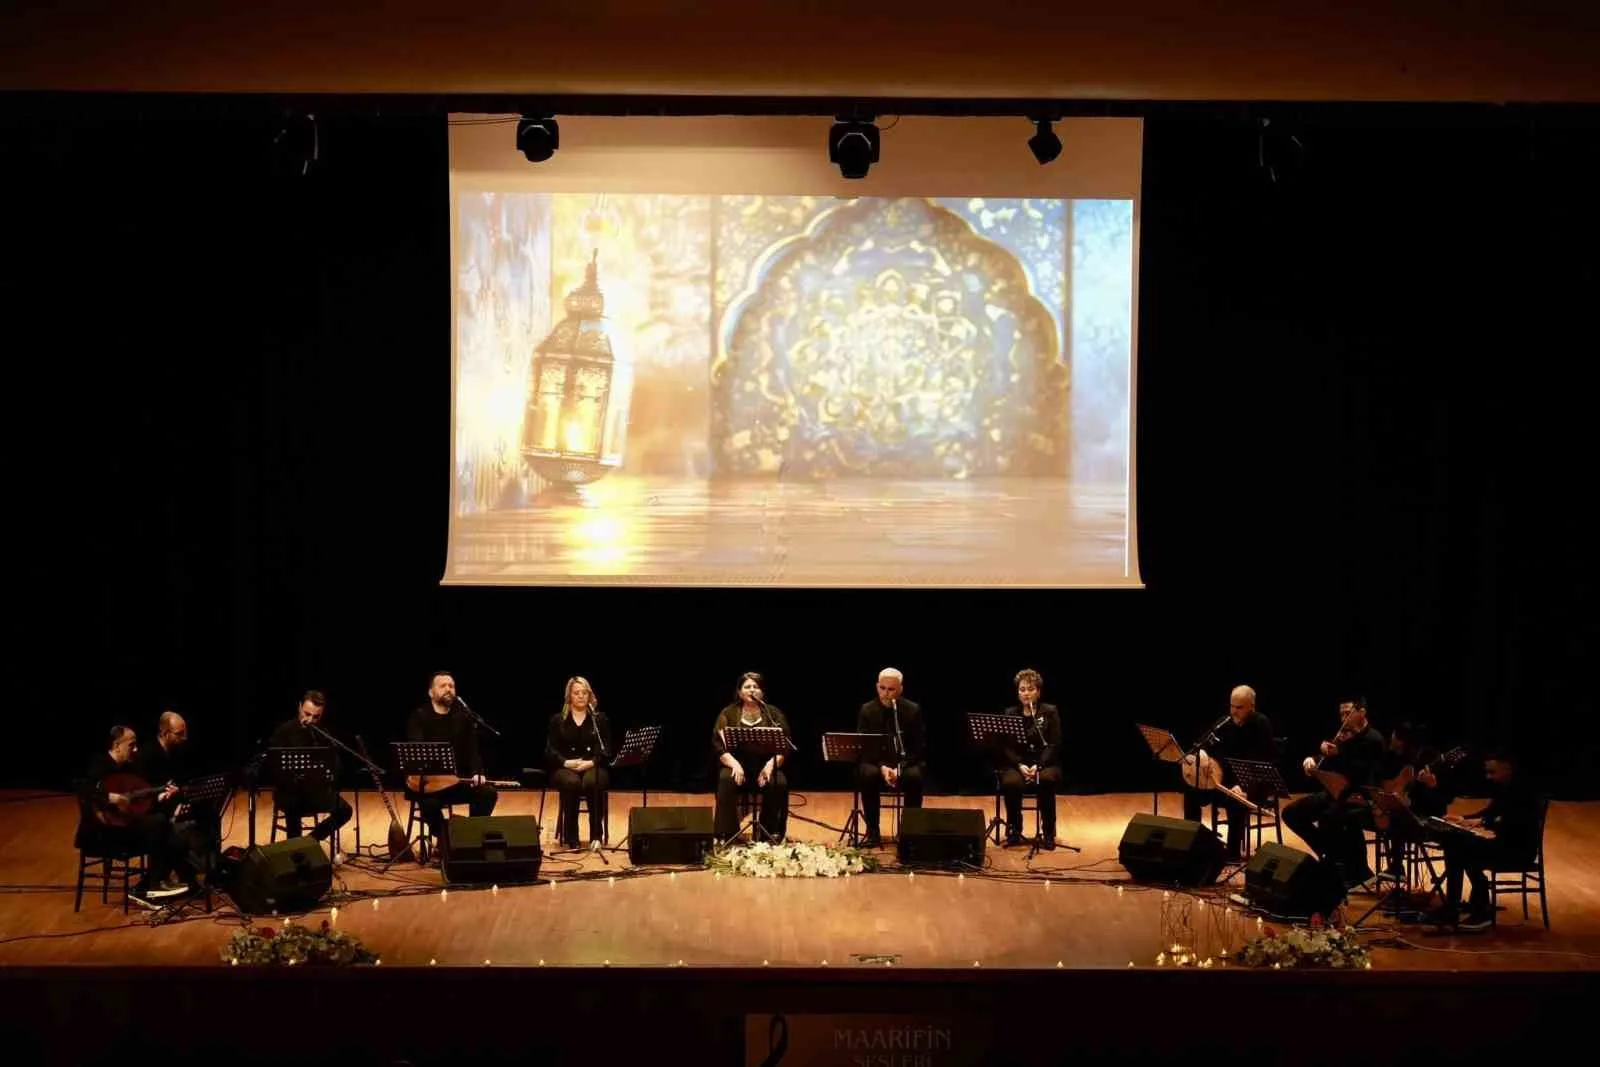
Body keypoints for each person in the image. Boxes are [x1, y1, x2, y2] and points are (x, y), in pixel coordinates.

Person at [77, 725, 192, 908]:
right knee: (160, 825)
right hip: (101, 832)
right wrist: (110, 797)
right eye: (131, 745)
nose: (136, 749)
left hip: (123, 827)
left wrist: (160, 796)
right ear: (116, 745)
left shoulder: (129, 767)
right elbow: (83, 789)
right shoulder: (99, 764)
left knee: (167, 826)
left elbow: (138, 797)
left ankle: (151, 885)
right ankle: (150, 886)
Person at [1430, 750, 1541, 931]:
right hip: (1504, 843)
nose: (1489, 777)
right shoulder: (1504, 787)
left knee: (1461, 850)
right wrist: (1463, 819)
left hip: (1517, 850)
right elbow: (1491, 813)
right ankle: (1463, 906)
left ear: (1508, 768)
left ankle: (1478, 910)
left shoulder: (1522, 791)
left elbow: (1511, 822)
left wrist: (1482, 823)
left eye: (1492, 772)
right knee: (1456, 846)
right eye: (1487, 772)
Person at [1282, 697, 1386, 886]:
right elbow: (1329, 761)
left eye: (1348, 713)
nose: (1343, 719)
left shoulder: (1374, 739)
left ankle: (1349, 868)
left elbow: (1363, 773)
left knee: (1329, 817)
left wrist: (1340, 752)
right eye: (1341, 714)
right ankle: (1331, 856)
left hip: (1361, 798)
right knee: (1291, 813)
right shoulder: (1343, 737)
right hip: (1335, 794)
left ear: (1362, 712)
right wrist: (1312, 760)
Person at [1181, 684, 1277, 860]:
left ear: (1252, 707)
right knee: (1191, 790)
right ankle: (1193, 840)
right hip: (1222, 783)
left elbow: (1263, 763)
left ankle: (1232, 853)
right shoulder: (1225, 722)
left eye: (1239, 707)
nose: (1234, 711)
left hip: (1252, 786)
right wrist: (1205, 759)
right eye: (1232, 706)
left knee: (1236, 801)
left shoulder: (1261, 725)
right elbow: (1204, 746)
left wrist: (1243, 786)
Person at [404, 671, 498, 845]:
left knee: (488, 793)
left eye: (451, 686)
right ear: (431, 693)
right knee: (430, 805)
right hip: (428, 785)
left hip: (456, 781)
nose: (448, 689)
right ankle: (446, 839)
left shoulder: (463, 717)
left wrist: (477, 772)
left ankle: (468, 837)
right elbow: (416, 752)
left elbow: (473, 751)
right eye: (443, 686)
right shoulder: (419, 716)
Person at [712, 672, 792, 841]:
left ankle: (769, 832)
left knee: (779, 782)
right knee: (726, 779)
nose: (752, 690)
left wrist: (771, 765)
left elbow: (783, 747)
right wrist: (734, 764)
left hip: (765, 765)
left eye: (756, 687)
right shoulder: (728, 713)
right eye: (747, 687)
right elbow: (719, 746)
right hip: (737, 765)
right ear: (740, 692)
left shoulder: (773, 713)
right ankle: (728, 833)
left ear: (762, 692)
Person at [268, 690, 354, 844]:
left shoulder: (323, 733)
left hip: (315, 792)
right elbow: (273, 768)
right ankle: (295, 852)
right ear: (300, 707)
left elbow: (335, 766)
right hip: (290, 793)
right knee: (292, 807)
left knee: (345, 810)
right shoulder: (284, 731)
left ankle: (310, 841)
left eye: (316, 717)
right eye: (307, 714)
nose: (310, 720)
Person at [991, 669, 1064, 847]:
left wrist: (1039, 766)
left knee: (1046, 780)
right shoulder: (1010, 713)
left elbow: (1054, 744)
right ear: (1018, 693)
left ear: (1038, 692)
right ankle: (1015, 828)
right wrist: (1019, 764)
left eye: (1030, 689)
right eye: (1022, 690)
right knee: (1011, 783)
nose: (1026, 693)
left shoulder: (1049, 711)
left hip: (1044, 763)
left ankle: (1048, 831)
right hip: (1017, 764)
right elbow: (1006, 746)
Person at [856, 667, 926, 848]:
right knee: (868, 773)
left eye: (891, 689)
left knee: (915, 776)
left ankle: (910, 832)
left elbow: (918, 748)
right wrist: (883, 767)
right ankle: (873, 831)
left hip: (904, 763)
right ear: (877, 687)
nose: (885, 694)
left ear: (900, 689)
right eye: (882, 688)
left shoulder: (912, 710)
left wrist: (899, 769)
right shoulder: (867, 710)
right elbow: (864, 747)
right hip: (877, 763)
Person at [545, 676, 612, 848]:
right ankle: (571, 836)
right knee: (571, 782)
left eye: (584, 693)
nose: (581, 696)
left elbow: (606, 751)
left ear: (590, 695)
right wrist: (566, 762)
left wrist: (591, 763)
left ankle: (596, 836)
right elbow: (550, 751)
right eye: (576, 693)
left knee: (593, 781)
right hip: (566, 767)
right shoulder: (558, 720)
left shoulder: (599, 719)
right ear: (569, 696)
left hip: (592, 766)